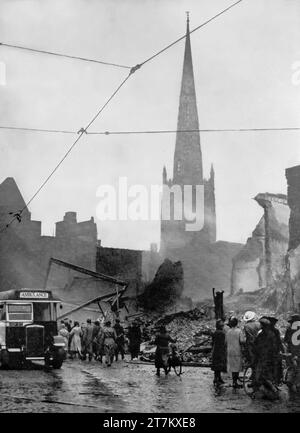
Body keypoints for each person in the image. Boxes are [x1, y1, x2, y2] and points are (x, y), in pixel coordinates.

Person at [253, 317, 279, 400]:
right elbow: (275, 347)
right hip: (269, 358)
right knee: (268, 375)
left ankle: (273, 390)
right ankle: (270, 390)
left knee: (262, 375)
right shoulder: (271, 334)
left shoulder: (261, 334)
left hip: (263, 358)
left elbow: (255, 345)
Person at [225, 317, 244, 389]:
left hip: (229, 350)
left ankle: (234, 381)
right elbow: (242, 341)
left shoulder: (228, 331)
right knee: (237, 366)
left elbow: (225, 342)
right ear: (237, 323)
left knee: (232, 366)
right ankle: (235, 382)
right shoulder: (239, 331)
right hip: (237, 350)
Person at [284, 314, 300, 393]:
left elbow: (286, 341)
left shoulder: (289, 329)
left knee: (292, 367)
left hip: (291, 352)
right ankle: (297, 384)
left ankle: (290, 381)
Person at [211, 319, 227, 386]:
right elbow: (224, 342)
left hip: (215, 350)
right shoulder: (222, 333)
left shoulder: (215, 332)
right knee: (219, 364)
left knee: (216, 364)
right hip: (221, 350)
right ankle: (218, 379)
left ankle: (217, 378)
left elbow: (213, 342)